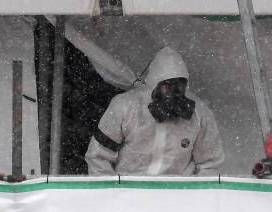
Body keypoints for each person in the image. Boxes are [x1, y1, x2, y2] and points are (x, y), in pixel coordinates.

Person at [85, 47, 224, 176]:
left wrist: (192, 198)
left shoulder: (200, 114)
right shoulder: (125, 106)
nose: (174, 91)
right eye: (167, 85)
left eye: (179, 84)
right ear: (154, 84)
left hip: (177, 197)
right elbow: (99, 156)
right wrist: (112, 194)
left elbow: (210, 164)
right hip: (128, 195)